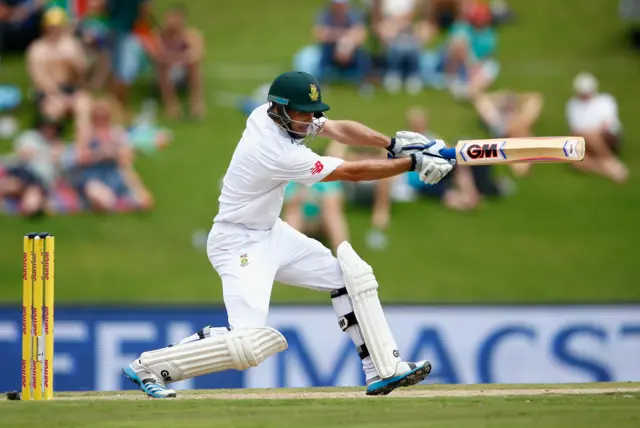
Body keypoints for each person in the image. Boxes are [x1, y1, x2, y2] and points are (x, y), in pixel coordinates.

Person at [122, 71, 454, 398]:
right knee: (248, 343)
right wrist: (411, 164)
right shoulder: (275, 151)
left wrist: (393, 144)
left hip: (272, 233)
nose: (310, 121)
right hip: (237, 243)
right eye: (303, 113)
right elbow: (351, 172)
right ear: (280, 109)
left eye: (313, 113)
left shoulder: (270, 115)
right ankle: (149, 367)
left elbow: (338, 129)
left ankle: (382, 370)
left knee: (349, 278)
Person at [26, 6, 91, 134]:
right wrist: (56, 94)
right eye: (51, 28)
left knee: (84, 103)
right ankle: (52, 143)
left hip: (70, 88)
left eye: (57, 27)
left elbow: (81, 76)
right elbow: (39, 78)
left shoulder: (71, 45)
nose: (54, 31)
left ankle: (84, 143)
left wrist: (73, 63)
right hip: (48, 92)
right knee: (54, 108)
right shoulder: (37, 49)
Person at [565, 72, 627, 183]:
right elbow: (576, 129)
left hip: (607, 137)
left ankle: (609, 159)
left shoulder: (606, 101)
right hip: (585, 140)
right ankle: (610, 169)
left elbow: (607, 125)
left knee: (590, 135)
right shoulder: (573, 104)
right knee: (576, 162)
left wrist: (590, 133)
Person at [153, 4, 205, 118]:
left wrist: (173, 57)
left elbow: (196, 55)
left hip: (183, 73)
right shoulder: (159, 35)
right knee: (162, 66)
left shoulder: (190, 35)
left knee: (194, 65)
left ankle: (196, 102)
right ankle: (171, 105)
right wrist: (180, 57)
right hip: (164, 75)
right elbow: (157, 56)